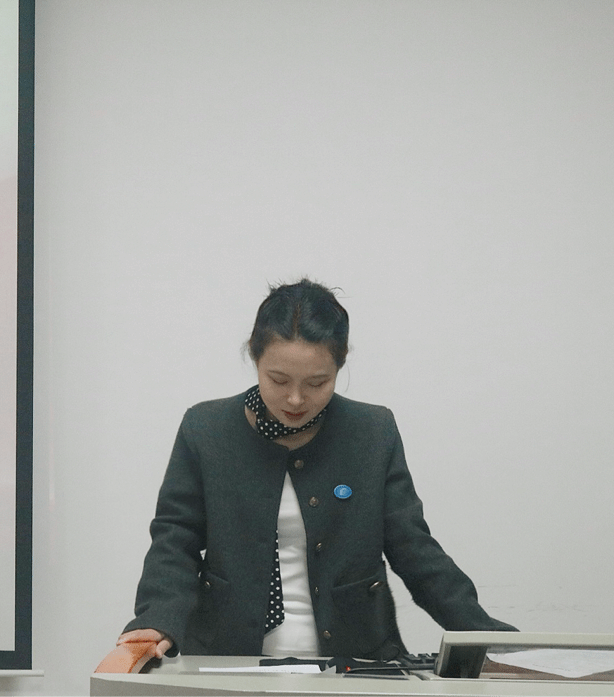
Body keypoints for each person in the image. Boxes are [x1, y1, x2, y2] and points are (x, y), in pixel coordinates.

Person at [117, 278, 515, 661]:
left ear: (340, 366)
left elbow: (412, 546)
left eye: (317, 383)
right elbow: (175, 538)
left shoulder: (372, 432)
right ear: (255, 357)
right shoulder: (206, 429)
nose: (295, 399)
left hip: (355, 657)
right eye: (278, 379)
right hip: (227, 654)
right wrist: (156, 618)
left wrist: (484, 635)